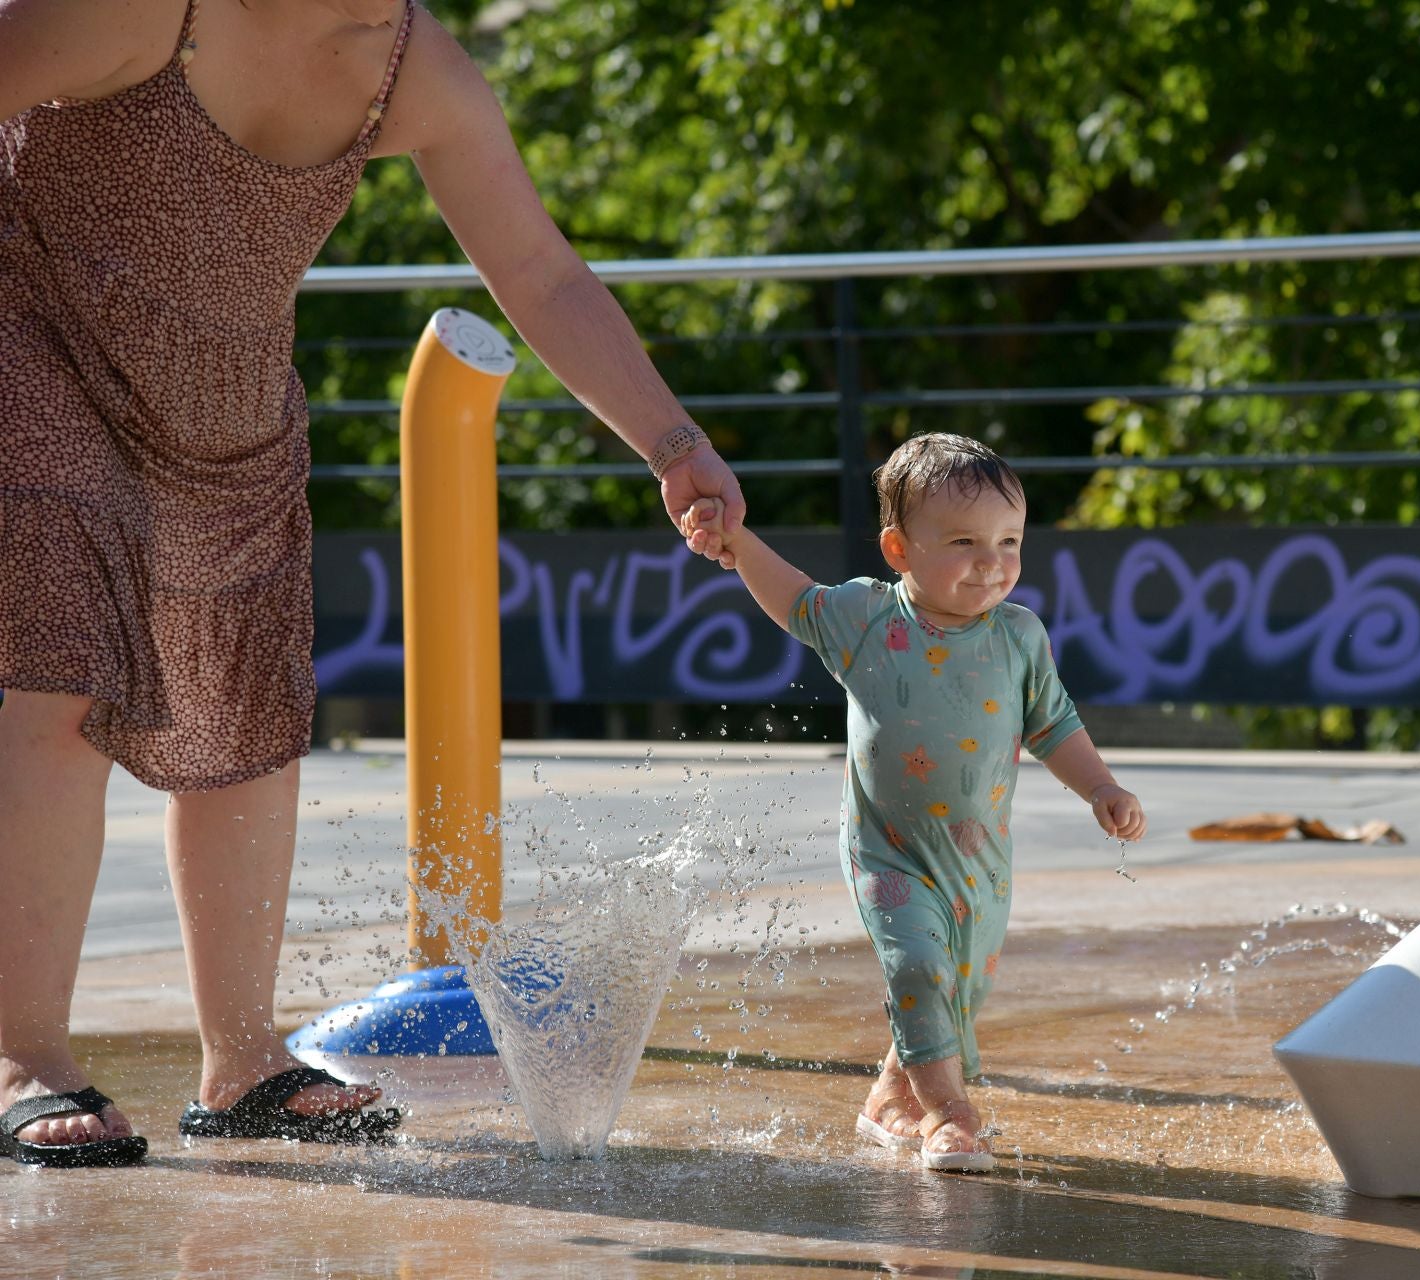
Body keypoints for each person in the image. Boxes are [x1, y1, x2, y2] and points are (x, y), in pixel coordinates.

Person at [0, 0, 741, 1165]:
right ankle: (23, 1053)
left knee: (247, 720)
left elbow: (540, 272)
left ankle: (241, 1063)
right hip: (34, 335)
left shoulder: (411, 67)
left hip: (227, 407)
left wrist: (672, 441)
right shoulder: (143, 9)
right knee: (61, 675)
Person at [680, 432, 1146, 1172]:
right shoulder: (869, 620)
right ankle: (950, 1117)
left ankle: (889, 1099)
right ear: (899, 550)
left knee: (958, 986)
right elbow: (797, 601)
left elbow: (1053, 724)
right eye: (963, 541)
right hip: (886, 847)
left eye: (1008, 541)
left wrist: (1101, 786)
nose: (991, 561)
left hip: (978, 856)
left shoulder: (1020, 637)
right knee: (917, 967)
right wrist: (737, 544)